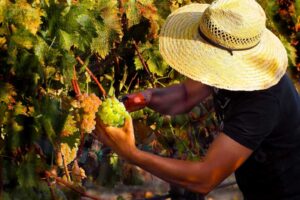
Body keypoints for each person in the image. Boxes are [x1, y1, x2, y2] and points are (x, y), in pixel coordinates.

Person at [95, 0, 300, 199]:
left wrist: (132, 154)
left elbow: (204, 178)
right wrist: (148, 97)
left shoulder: (262, 102)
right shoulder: (224, 66)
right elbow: (185, 95)